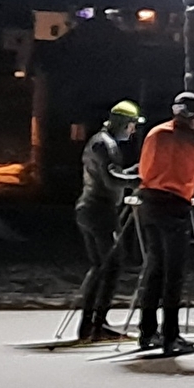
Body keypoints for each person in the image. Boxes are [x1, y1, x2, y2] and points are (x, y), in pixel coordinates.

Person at [135, 91, 194, 353]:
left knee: (154, 268)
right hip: (175, 206)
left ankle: (147, 331)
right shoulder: (193, 141)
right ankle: (171, 336)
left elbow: (143, 170)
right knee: (174, 274)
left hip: (149, 203)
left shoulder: (155, 133)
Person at [73, 100, 141, 341]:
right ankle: (97, 324)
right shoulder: (106, 144)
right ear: (122, 123)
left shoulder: (100, 141)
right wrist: (138, 181)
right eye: (132, 125)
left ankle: (88, 325)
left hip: (90, 210)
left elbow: (112, 174)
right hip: (99, 211)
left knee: (100, 266)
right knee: (112, 266)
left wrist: (135, 170)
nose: (133, 131)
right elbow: (111, 180)